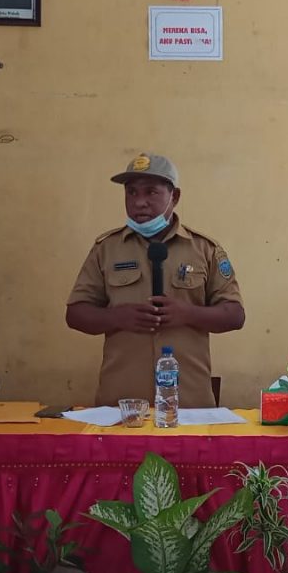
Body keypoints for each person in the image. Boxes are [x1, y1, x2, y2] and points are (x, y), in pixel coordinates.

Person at [66, 153, 245, 408]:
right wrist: (118, 317)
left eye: (151, 192)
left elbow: (235, 315)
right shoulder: (107, 248)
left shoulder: (205, 249)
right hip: (121, 406)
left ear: (175, 197)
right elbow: (76, 314)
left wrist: (188, 313)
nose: (139, 202)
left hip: (189, 404)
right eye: (131, 193)